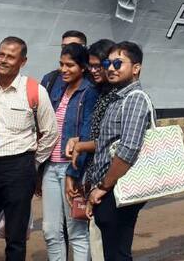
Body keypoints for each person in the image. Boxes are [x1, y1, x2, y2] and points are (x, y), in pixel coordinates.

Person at [0, 36, 58, 261]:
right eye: (1, 54)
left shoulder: (35, 91)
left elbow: (50, 132)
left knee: (16, 236)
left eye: (10, 56)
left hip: (19, 168)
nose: (3, 60)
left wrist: (32, 162)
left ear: (22, 61)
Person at [86, 42, 151, 261]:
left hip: (118, 188)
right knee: (113, 251)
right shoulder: (117, 99)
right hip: (111, 188)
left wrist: (102, 187)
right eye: (108, 63)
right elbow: (106, 145)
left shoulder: (134, 99)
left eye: (118, 63)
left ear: (136, 68)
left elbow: (128, 150)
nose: (111, 68)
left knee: (117, 253)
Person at [40, 44, 98, 261]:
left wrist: (73, 175)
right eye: (61, 64)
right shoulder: (57, 89)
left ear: (83, 67)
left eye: (70, 65)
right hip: (50, 167)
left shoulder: (89, 92)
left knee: (76, 231)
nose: (64, 69)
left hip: (72, 168)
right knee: (50, 230)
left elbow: (85, 133)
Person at [69, 39, 116, 261]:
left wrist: (82, 145)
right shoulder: (98, 93)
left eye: (100, 65)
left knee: (109, 244)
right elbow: (93, 134)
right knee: (98, 241)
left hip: (111, 179)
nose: (94, 70)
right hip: (96, 175)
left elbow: (113, 142)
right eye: (92, 66)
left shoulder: (118, 97)